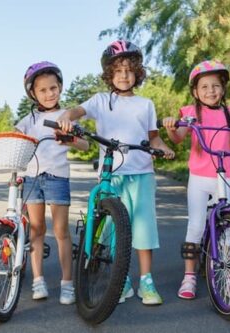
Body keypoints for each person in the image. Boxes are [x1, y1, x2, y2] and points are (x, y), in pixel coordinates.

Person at [57, 40, 175, 305]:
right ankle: (119, 281)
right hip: (112, 175)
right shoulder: (100, 100)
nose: (124, 75)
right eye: (118, 70)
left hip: (142, 173)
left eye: (129, 70)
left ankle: (146, 281)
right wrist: (67, 116)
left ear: (137, 73)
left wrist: (164, 148)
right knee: (111, 228)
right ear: (109, 74)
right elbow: (79, 110)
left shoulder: (146, 104)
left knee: (144, 227)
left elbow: (153, 138)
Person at [161, 60, 230, 300]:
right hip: (200, 177)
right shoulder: (191, 113)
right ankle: (189, 276)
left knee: (229, 226)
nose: (211, 91)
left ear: (223, 89)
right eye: (204, 87)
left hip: (226, 176)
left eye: (216, 86)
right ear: (195, 92)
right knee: (197, 224)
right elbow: (178, 138)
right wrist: (171, 126)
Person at [15, 61, 89, 305]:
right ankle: (38, 280)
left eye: (53, 88)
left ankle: (67, 283)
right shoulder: (28, 120)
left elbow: (85, 145)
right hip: (32, 177)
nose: (49, 94)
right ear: (33, 93)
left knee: (61, 231)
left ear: (60, 88)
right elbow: (16, 141)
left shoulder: (65, 116)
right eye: (43, 90)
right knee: (36, 230)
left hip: (58, 176)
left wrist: (69, 139)